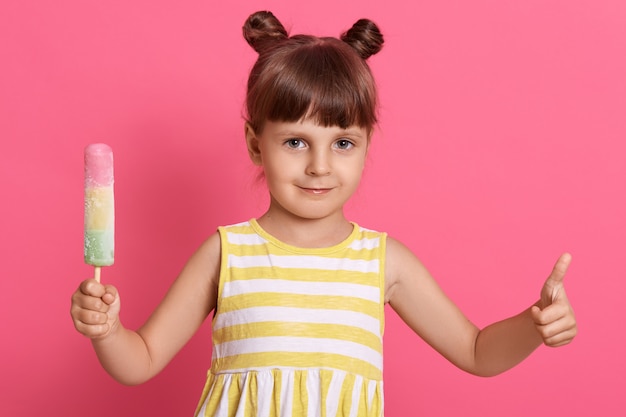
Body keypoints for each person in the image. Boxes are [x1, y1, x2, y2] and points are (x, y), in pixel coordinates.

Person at [70, 10, 577, 417]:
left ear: (366, 145)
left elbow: (476, 351)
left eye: (342, 143)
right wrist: (109, 332)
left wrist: (534, 325)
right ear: (255, 144)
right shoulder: (228, 252)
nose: (319, 165)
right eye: (295, 141)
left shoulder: (384, 261)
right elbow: (141, 362)